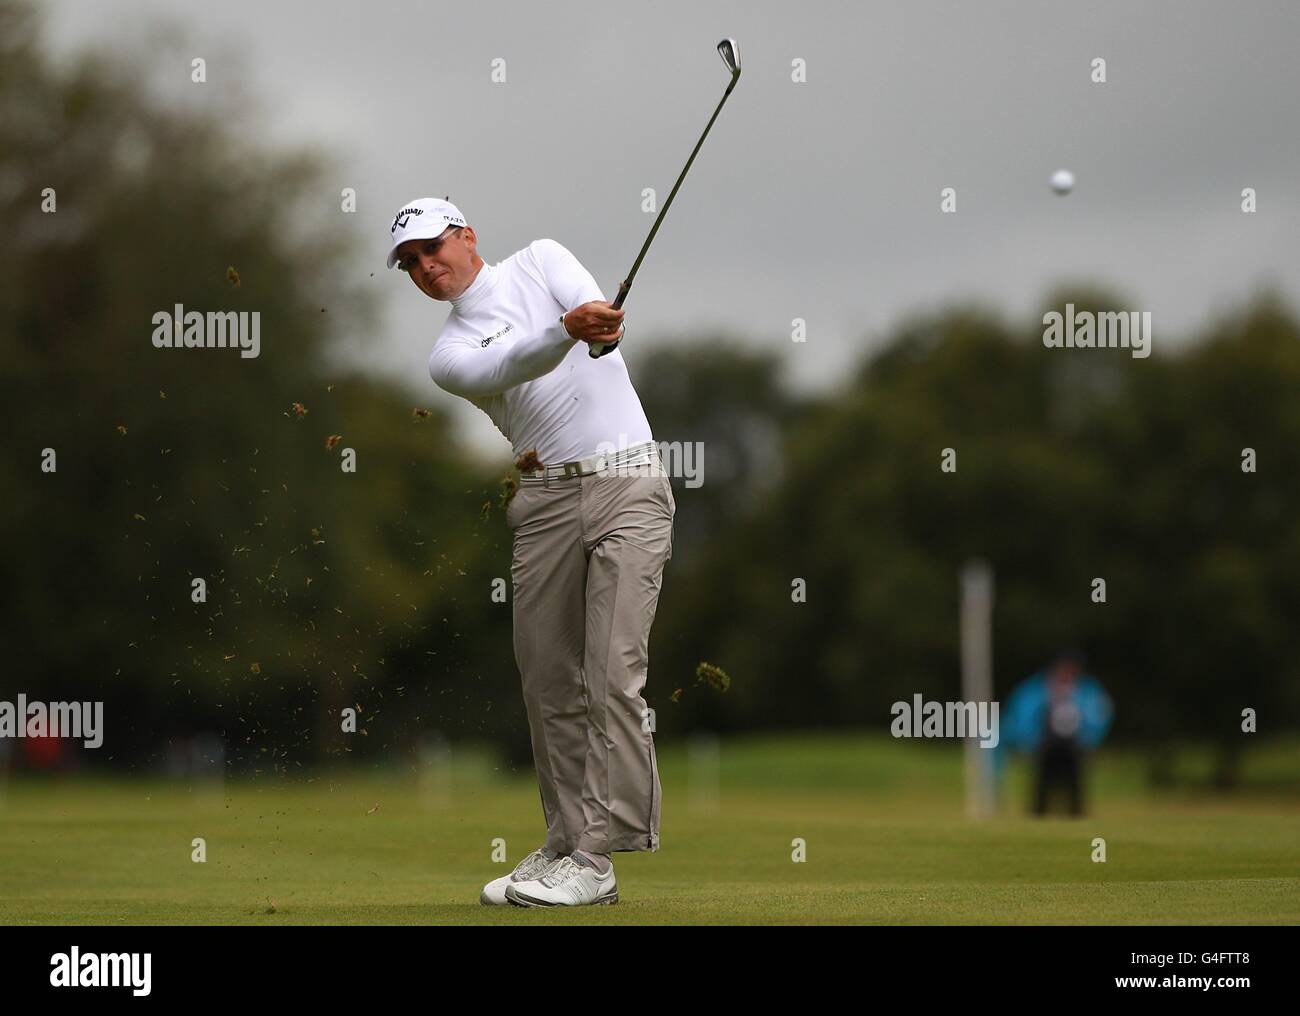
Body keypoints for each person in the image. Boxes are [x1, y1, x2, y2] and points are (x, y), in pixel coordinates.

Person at [386, 197, 675, 907]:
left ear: (467, 236)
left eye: (433, 248)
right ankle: (563, 842)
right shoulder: (447, 356)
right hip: (542, 501)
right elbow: (512, 363)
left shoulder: (541, 259)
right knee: (547, 681)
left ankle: (595, 858)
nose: (426, 266)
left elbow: (594, 325)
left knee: (612, 672)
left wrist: (596, 327)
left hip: (627, 484)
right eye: (411, 263)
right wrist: (568, 332)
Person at [1000, 650, 1113, 816]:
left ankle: (1077, 817)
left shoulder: (1088, 690)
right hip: (1045, 745)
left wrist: (1090, 740)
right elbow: (1021, 715)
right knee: (1041, 788)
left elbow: (1100, 715)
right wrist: (1026, 741)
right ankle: (1037, 817)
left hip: (1075, 746)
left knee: (1075, 788)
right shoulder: (1035, 690)